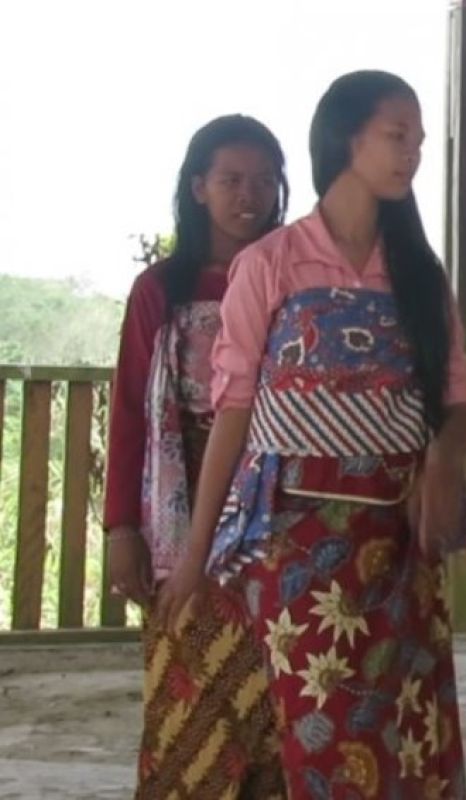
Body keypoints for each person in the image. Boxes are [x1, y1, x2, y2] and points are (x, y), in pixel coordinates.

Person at [158, 70, 466, 799]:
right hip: (298, 547)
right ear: (345, 137)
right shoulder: (269, 263)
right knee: (324, 739)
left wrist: (441, 464)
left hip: (399, 545)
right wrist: (194, 553)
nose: (413, 152)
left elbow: (457, 402)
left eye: (420, 140)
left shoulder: (422, 276)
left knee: (404, 732)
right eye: (397, 135)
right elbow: (235, 410)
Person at [103, 114, 289, 798]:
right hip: (178, 525)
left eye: (265, 181)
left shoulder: (289, 280)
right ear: (197, 187)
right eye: (232, 180)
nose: (250, 195)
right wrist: (121, 528)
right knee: (187, 695)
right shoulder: (162, 289)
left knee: (272, 702)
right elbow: (128, 409)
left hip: (275, 520)